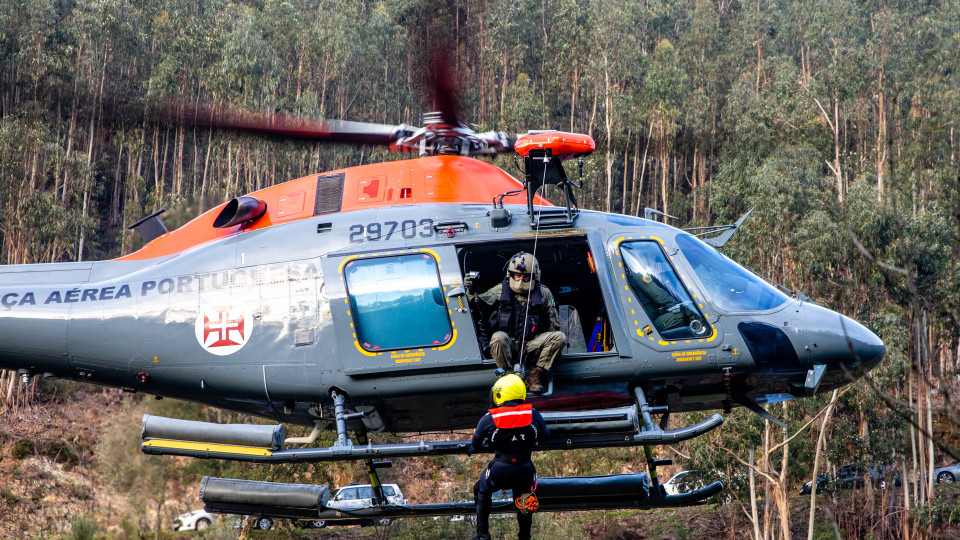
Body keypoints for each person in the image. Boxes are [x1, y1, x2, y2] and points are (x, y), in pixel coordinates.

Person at [464, 252, 565, 393]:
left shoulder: (544, 293)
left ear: (534, 276)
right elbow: (477, 304)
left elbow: (553, 324)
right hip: (508, 344)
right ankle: (509, 376)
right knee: (498, 337)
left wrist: (551, 352)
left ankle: (535, 374)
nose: (521, 280)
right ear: (510, 275)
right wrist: (470, 289)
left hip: (533, 344)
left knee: (559, 337)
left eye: (526, 276)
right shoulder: (500, 290)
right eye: (517, 275)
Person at [470, 373, 549, 540]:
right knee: (524, 499)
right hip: (525, 469)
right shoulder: (533, 413)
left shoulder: (490, 416)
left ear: (501, 393)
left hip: (500, 469)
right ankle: (524, 536)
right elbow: (545, 436)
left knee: (481, 490)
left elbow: (475, 442)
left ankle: (483, 534)